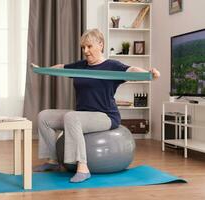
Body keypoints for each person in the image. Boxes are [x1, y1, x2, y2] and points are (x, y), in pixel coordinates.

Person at [34, 28, 160, 183]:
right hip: (82, 115)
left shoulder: (112, 66)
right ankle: (53, 161)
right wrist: (41, 70)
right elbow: (61, 67)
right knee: (44, 116)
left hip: (105, 116)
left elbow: (131, 70)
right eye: (83, 47)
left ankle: (83, 167)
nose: (85, 51)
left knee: (72, 117)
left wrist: (148, 73)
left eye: (89, 46)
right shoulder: (81, 66)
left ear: (100, 44)